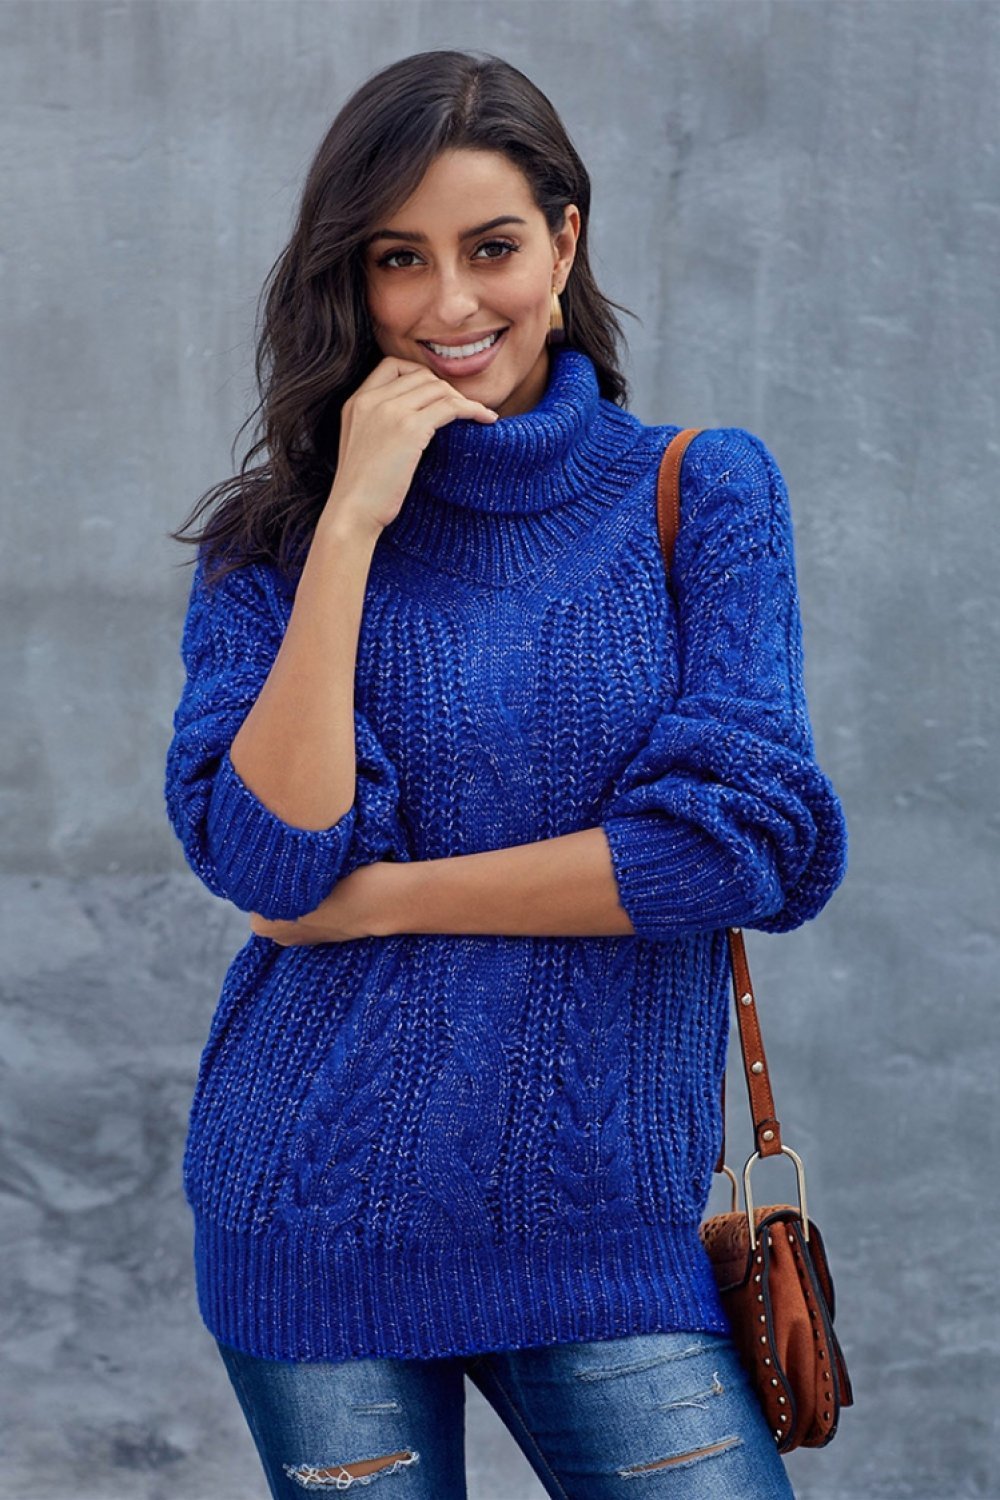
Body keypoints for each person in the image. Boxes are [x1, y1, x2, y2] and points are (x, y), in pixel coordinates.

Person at [163, 47, 847, 1500]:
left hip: (608, 1236)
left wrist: (387, 900)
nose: (448, 305)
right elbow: (274, 859)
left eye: (491, 248)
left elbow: (727, 851)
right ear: (350, 278)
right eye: (397, 260)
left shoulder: (700, 488)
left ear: (566, 240)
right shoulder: (269, 547)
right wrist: (347, 519)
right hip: (315, 1219)